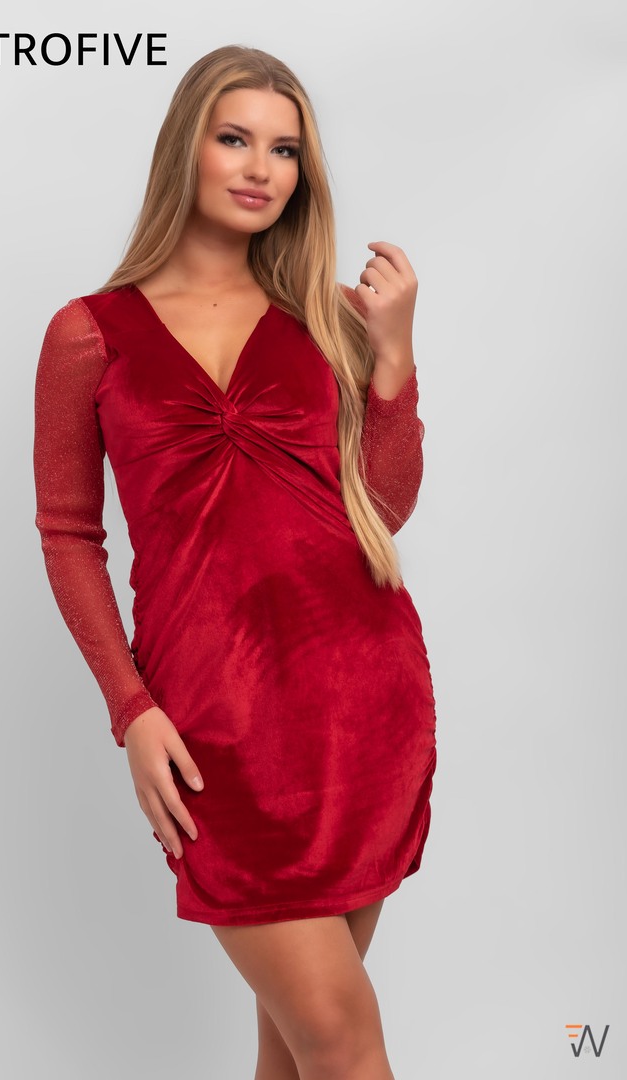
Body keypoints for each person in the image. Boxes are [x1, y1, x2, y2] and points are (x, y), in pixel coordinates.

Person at [33, 43, 437, 1080]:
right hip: (215, 728)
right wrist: (132, 710)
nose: (261, 168)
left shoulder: (329, 317)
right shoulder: (88, 334)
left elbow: (381, 507)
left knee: (302, 1052)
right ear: (188, 148)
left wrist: (392, 359)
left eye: (285, 149)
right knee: (339, 1043)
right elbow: (70, 534)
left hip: (362, 708)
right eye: (234, 138)